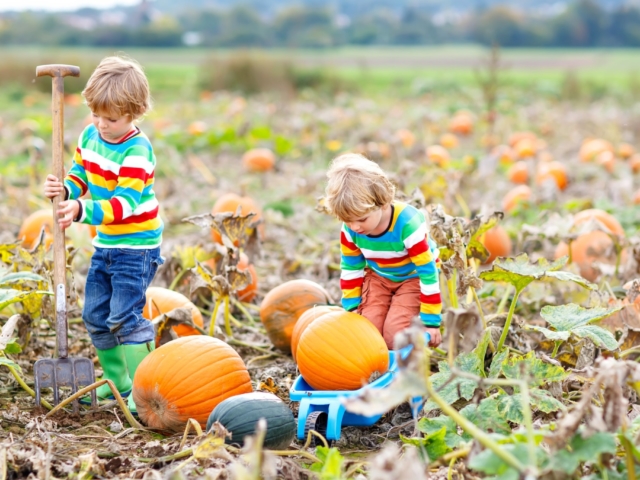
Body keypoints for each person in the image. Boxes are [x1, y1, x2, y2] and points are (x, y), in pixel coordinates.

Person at [43, 56, 163, 411]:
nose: (101, 124)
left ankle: (145, 388)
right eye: (96, 115)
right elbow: (82, 171)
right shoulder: (91, 134)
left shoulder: (137, 151)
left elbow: (123, 204)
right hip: (107, 244)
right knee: (95, 315)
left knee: (124, 317)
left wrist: (82, 210)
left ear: (135, 112)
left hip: (136, 247)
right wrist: (66, 190)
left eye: (111, 119)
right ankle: (119, 381)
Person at [324, 153, 442, 349]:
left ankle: (410, 354)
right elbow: (351, 268)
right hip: (379, 276)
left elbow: (427, 272)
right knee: (367, 330)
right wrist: (352, 309)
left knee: (395, 335)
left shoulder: (407, 224)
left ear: (383, 203)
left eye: (361, 219)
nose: (355, 227)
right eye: (347, 221)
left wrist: (431, 322)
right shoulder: (350, 231)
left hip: (412, 278)